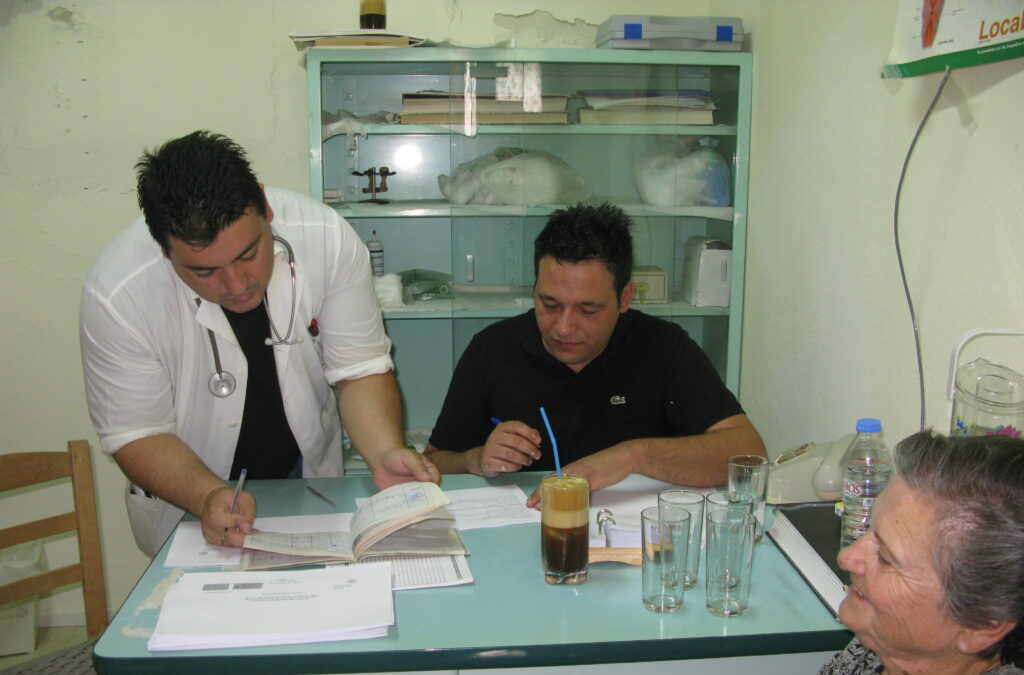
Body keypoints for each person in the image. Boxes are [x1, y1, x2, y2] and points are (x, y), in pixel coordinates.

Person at [80, 131, 438, 556]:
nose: (236, 285)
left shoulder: (326, 237)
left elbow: (359, 370)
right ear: (164, 250)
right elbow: (138, 432)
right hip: (188, 495)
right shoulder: (118, 293)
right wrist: (207, 496)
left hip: (305, 479)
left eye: (248, 254)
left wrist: (384, 452)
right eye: (204, 272)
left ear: (266, 208)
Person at [424, 202, 764, 503]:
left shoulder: (663, 347)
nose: (563, 328)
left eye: (588, 310)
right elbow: (435, 461)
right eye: (550, 304)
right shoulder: (493, 349)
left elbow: (747, 454)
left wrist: (633, 456)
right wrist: (476, 459)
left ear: (625, 297)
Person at [771, 430, 1024, 675]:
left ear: (981, 626)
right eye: (870, 530)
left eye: (887, 558)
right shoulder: (868, 656)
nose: (846, 557)